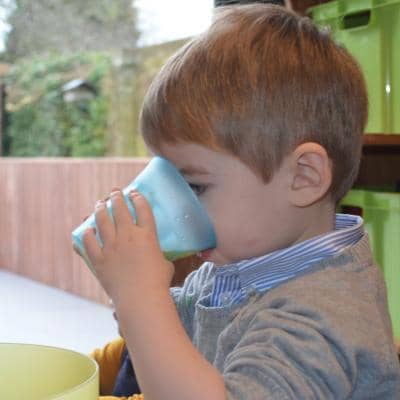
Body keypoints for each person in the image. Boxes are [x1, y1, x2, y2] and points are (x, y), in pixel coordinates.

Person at [81, 4, 400, 399]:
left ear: (304, 177)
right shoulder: (240, 263)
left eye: (194, 186)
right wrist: (137, 291)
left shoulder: (322, 316)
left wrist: (139, 300)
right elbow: (185, 338)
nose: (171, 204)